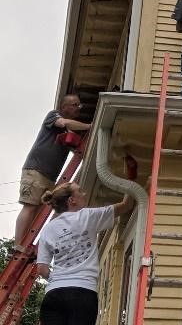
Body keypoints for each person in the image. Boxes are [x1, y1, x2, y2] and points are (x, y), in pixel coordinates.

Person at [35, 181, 134, 325]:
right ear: (72, 200)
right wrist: (131, 177)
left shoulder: (48, 229)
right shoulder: (87, 216)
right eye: (80, 191)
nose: (84, 194)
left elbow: (42, 270)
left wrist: (58, 279)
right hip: (82, 293)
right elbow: (127, 205)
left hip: (54, 294)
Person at [13, 96, 91, 251]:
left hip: (50, 177)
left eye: (79, 105)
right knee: (30, 206)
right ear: (64, 106)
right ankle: (18, 245)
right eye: (74, 105)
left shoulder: (69, 130)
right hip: (36, 170)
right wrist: (90, 126)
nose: (78, 108)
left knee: (38, 212)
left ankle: (27, 243)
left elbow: (76, 148)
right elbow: (64, 122)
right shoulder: (54, 116)